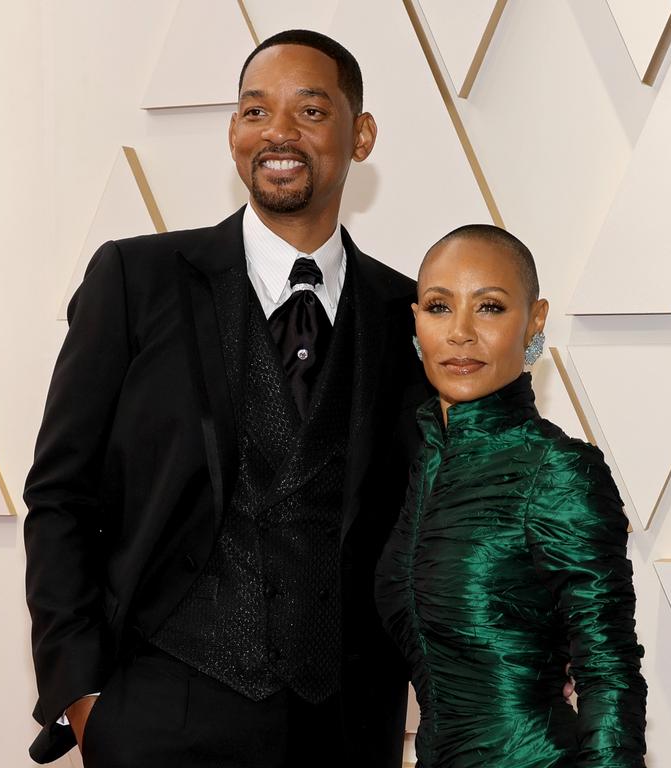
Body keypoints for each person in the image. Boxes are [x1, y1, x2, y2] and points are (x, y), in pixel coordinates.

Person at [24, 30, 429, 768]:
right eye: (254, 111)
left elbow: (437, 518)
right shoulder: (134, 279)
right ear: (234, 132)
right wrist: (82, 698)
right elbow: (60, 496)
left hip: (344, 728)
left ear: (360, 134)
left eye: (309, 111)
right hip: (159, 714)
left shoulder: (409, 314)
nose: (278, 132)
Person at [375, 225, 648, 767]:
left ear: (535, 322)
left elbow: (608, 671)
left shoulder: (558, 469)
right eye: (438, 307)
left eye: (490, 308)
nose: (460, 333)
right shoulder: (422, 467)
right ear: (416, 323)